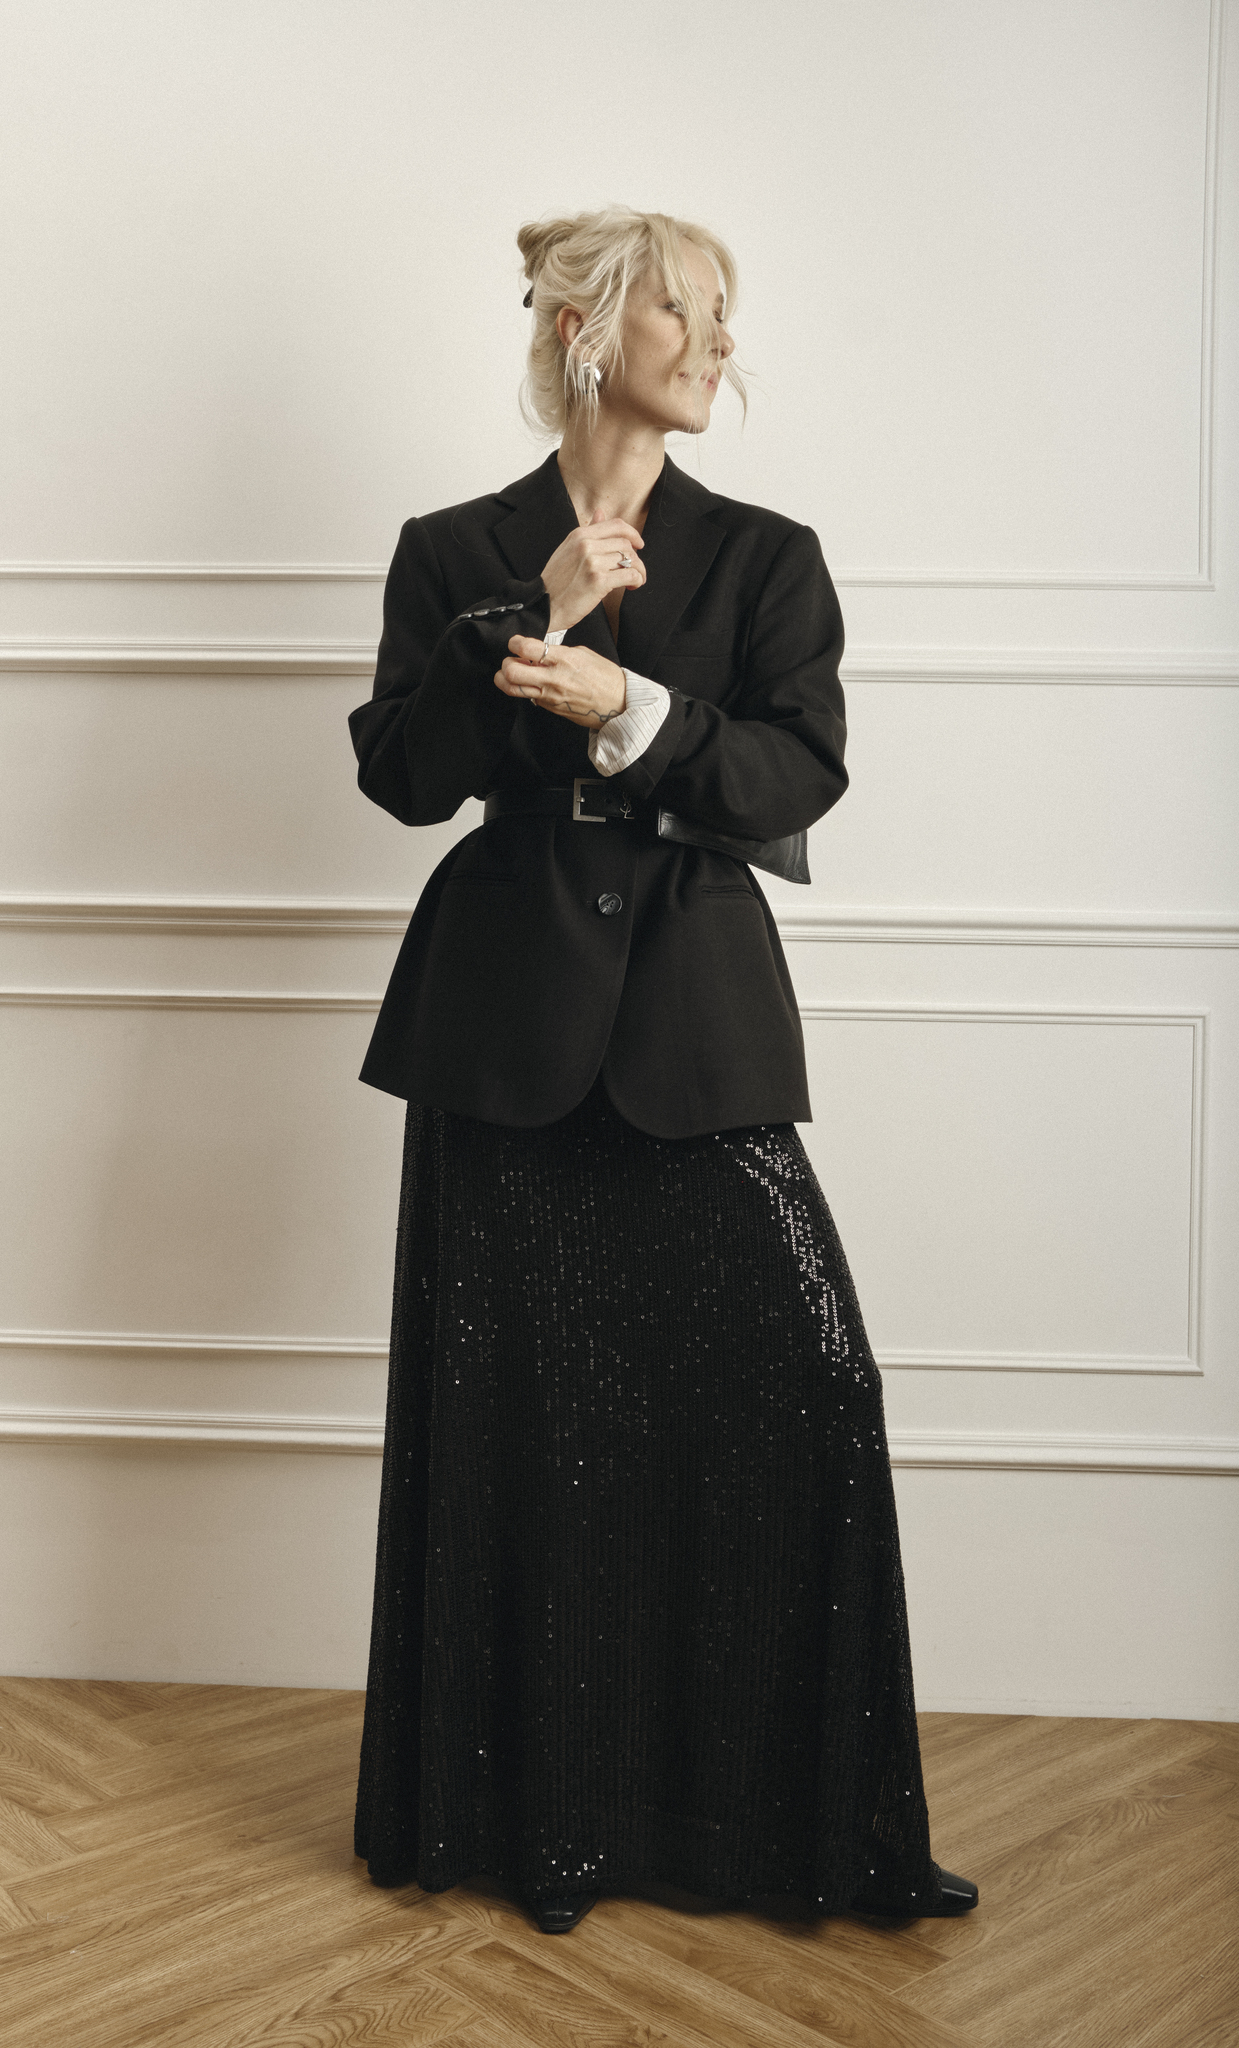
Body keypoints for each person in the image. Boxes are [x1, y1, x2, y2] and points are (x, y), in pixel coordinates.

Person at [347, 205, 978, 1935]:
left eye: (722, 316)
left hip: (695, 1021)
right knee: (521, 1429)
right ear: (586, 331)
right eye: (685, 312)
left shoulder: (766, 555)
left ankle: (784, 1827)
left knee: (812, 1382)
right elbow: (402, 778)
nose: (717, 344)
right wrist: (525, 623)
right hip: (499, 1029)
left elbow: (795, 772)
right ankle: (531, 1824)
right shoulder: (453, 547)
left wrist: (621, 708)